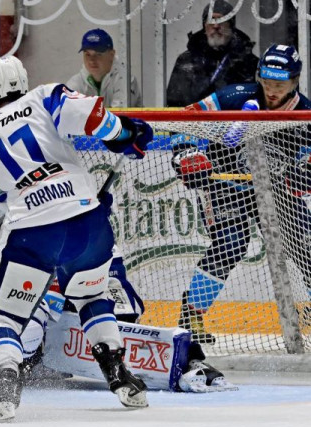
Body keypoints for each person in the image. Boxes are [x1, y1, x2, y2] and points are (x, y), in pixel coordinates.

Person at [0, 183, 235, 394]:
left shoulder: (33, 232)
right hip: (38, 337)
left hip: (83, 312)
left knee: (66, 316)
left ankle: (184, 361)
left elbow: (100, 291)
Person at [0, 55, 154, 420]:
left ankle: (3, 389)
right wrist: (125, 135)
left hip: (32, 231)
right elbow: (94, 117)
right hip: (88, 221)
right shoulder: (43, 96)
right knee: (93, 296)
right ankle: (118, 373)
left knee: (0, 316)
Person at [172, 44, 311, 344]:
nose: (272, 91)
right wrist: (186, 154)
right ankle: (191, 315)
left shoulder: (306, 116)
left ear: (295, 82)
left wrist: (306, 174)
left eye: (280, 85)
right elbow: (186, 119)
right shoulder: (234, 97)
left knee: (306, 240)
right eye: (267, 83)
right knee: (230, 244)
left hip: (275, 189)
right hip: (225, 185)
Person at [166, 0, 259, 107]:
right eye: (211, 19)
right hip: (194, 122)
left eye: (221, 19)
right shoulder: (186, 61)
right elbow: (174, 103)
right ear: (204, 26)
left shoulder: (248, 62)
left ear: (231, 25)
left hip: (235, 122)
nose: (216, 25)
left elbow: (256, 100)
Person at [66, 28, 142, 108]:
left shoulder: (125, 81)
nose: (92, 60)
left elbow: (119, 118)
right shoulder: (75, 84)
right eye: (87, 54)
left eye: (98, 54)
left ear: (111, 55)